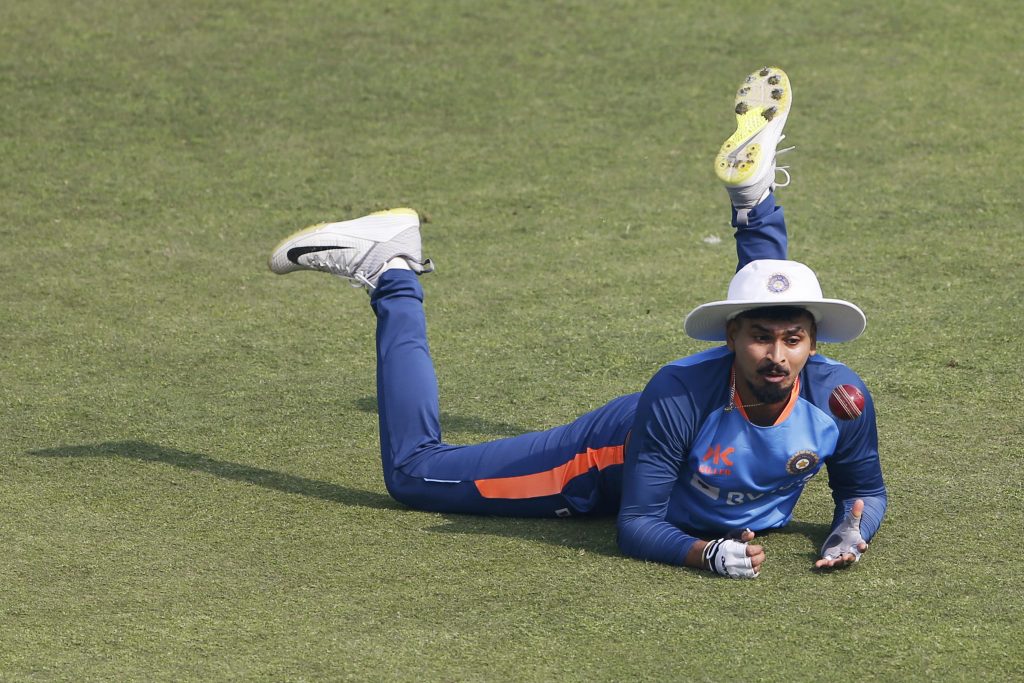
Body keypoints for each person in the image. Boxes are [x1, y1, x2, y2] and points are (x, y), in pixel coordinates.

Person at [267, 67, 887, 579]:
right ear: (729, 338)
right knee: (414, 473)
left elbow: (863, 492)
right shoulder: (678, 393)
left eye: (795, 340)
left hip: (699, 427)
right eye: (760, 339)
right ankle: (392, 269)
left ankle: (754, 201)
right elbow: (638, 525)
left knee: (766, 303)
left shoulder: (841, 398)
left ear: (815, 344)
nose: (778, 353)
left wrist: (850, 531)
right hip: (600, 461)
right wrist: (705, 553)